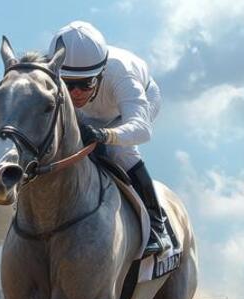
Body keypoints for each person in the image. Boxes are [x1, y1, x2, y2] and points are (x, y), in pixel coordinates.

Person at [49, 21, 170, 257]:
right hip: (89, 115)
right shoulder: (50, 68)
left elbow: (141, 129)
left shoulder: (122, 73)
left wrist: (106, 135)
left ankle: (157, 225)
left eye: (85, 84)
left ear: (101, 73)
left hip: (133, 105)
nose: (76, 93)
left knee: (120, 151)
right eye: (68, 84)